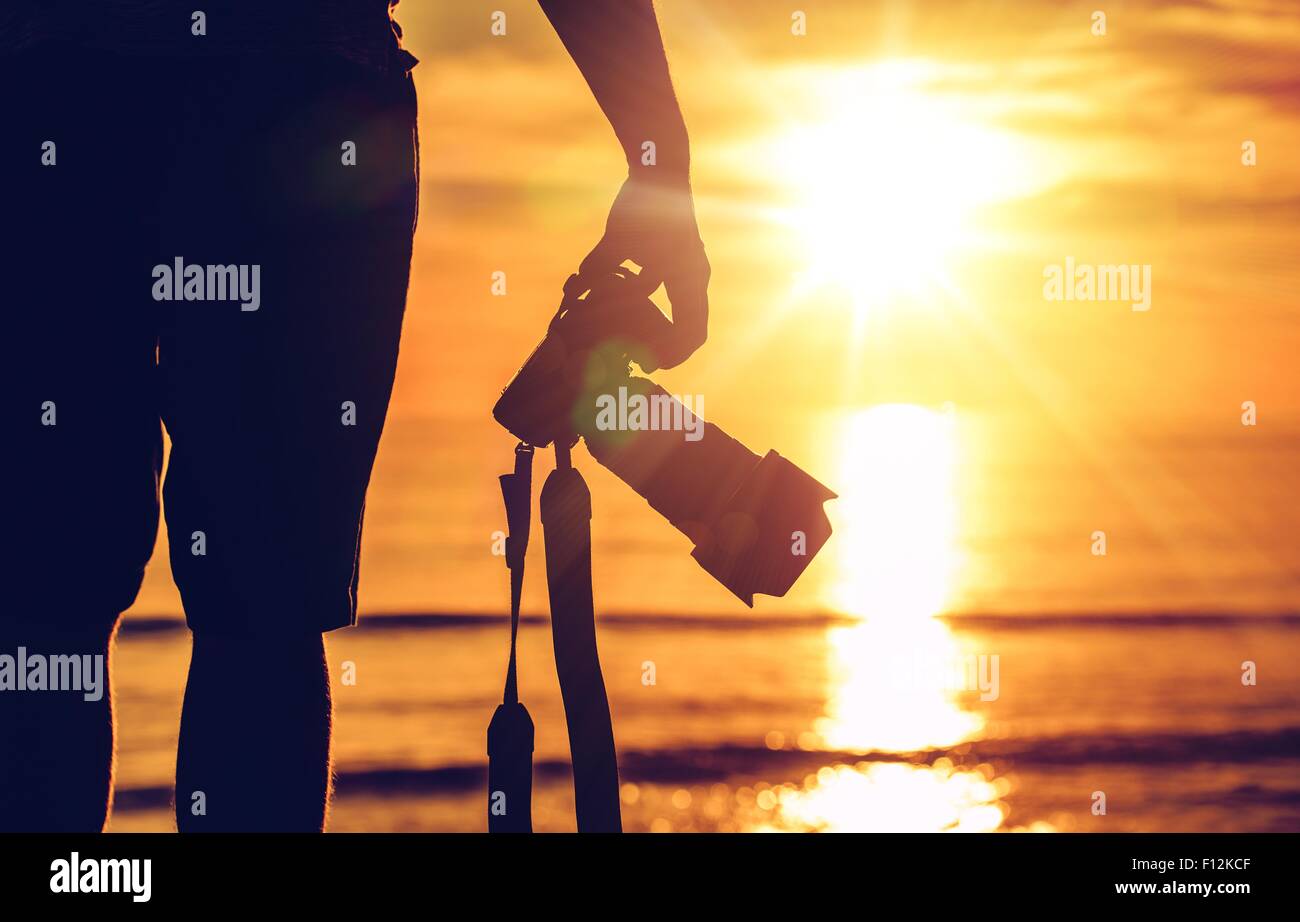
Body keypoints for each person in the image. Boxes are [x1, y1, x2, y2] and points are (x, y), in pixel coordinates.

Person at [0, 1, 707, 832]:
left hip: (62, 88)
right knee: (256, 616)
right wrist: (659, 152)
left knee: (46, 612)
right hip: (295, 90)